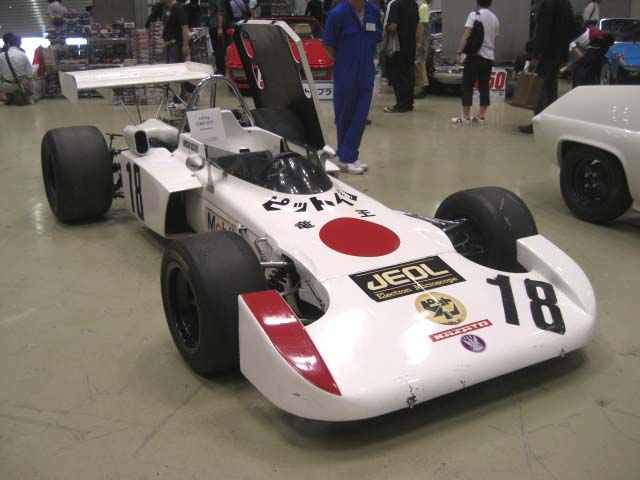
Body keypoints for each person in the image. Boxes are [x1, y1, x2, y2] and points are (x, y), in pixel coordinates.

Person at [323, 0, 382, 174]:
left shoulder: (373, 12)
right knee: (345, 115)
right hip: (345, 73)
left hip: (366, 72)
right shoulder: (338, 14)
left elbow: (376, 40)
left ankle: (348, 156)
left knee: (360, 116)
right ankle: (347, 157)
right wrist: (343, 62)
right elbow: (328, 44)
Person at [519, 0, 576, 134]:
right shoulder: (566, 4)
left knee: (539, 88)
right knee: (551, 88)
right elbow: (570, 30)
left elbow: (542, 31)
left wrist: (536, 55)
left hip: (546, 53)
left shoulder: (548, 3)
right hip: (558, 54)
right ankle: (551, 123)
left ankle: (539, 124)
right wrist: (564, 56)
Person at [450, 0, 499, 125]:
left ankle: (466, 117)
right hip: (489, 58)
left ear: (477, 2)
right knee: (484, 87)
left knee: (467, 86)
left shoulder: (474, 15)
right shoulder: (495, 19)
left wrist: (459, 52)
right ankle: (480, 117)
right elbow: (494, 39)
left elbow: (466, 35)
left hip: (475, 56)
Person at [384, 0, 419, 113]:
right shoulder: (414, 4)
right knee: (409, 74)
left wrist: (385, 25)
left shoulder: (396, 5)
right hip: (411, 45)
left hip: (398, 46)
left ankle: (401, 104)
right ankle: (409, 103)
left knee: (398, 76)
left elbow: (393, 26)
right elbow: (417, 24)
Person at [0, 33, 35, 105]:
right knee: (29, 82)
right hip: (21, 86)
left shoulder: (1, 55)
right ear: (19, 44)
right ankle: (22, 96)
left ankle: (10, 97)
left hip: (6, 86)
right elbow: (29, 74)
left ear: (8, 44)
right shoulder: (23, 55)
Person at [209, 0, 232, 75]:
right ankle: (220, 68)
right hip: (214, 25)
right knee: (217, 49)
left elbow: (220, 12)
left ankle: (221, 70)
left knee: (219, 49)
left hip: (216, 26)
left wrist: (219, 27)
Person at [414, 0, 430, 100]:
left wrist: (419, 42)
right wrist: (420, 41)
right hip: (422, 39)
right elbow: (421, 25)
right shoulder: (424, 7)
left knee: (419, 64)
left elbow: (420, 25)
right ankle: (420, 88)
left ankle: (420, 88)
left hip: (420, 39)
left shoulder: (421, 6)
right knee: (420, 63)